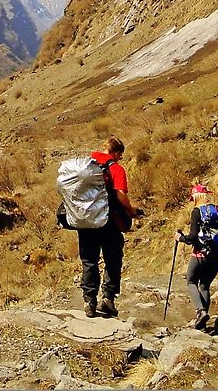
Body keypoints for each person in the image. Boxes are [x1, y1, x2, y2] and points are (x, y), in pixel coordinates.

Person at [78, 136, 143, 318]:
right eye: (120, 155)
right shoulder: (115, 169)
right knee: (113, 259)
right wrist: (131, 211)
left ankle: (89, 301)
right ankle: (107, 299)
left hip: (85, 222)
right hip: (108, 222)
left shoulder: (85, 166)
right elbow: (121, 196)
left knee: (89, 261)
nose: (120, 158)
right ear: (115, 152)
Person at [175, 184, 218, 330]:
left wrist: (180, 238)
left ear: (195, 196)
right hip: (217, 256)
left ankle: (201, 311)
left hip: (200, 254)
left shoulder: (197, 211)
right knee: (205, 285)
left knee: (191, 281)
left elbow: (193, 237)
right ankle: (203, 324)